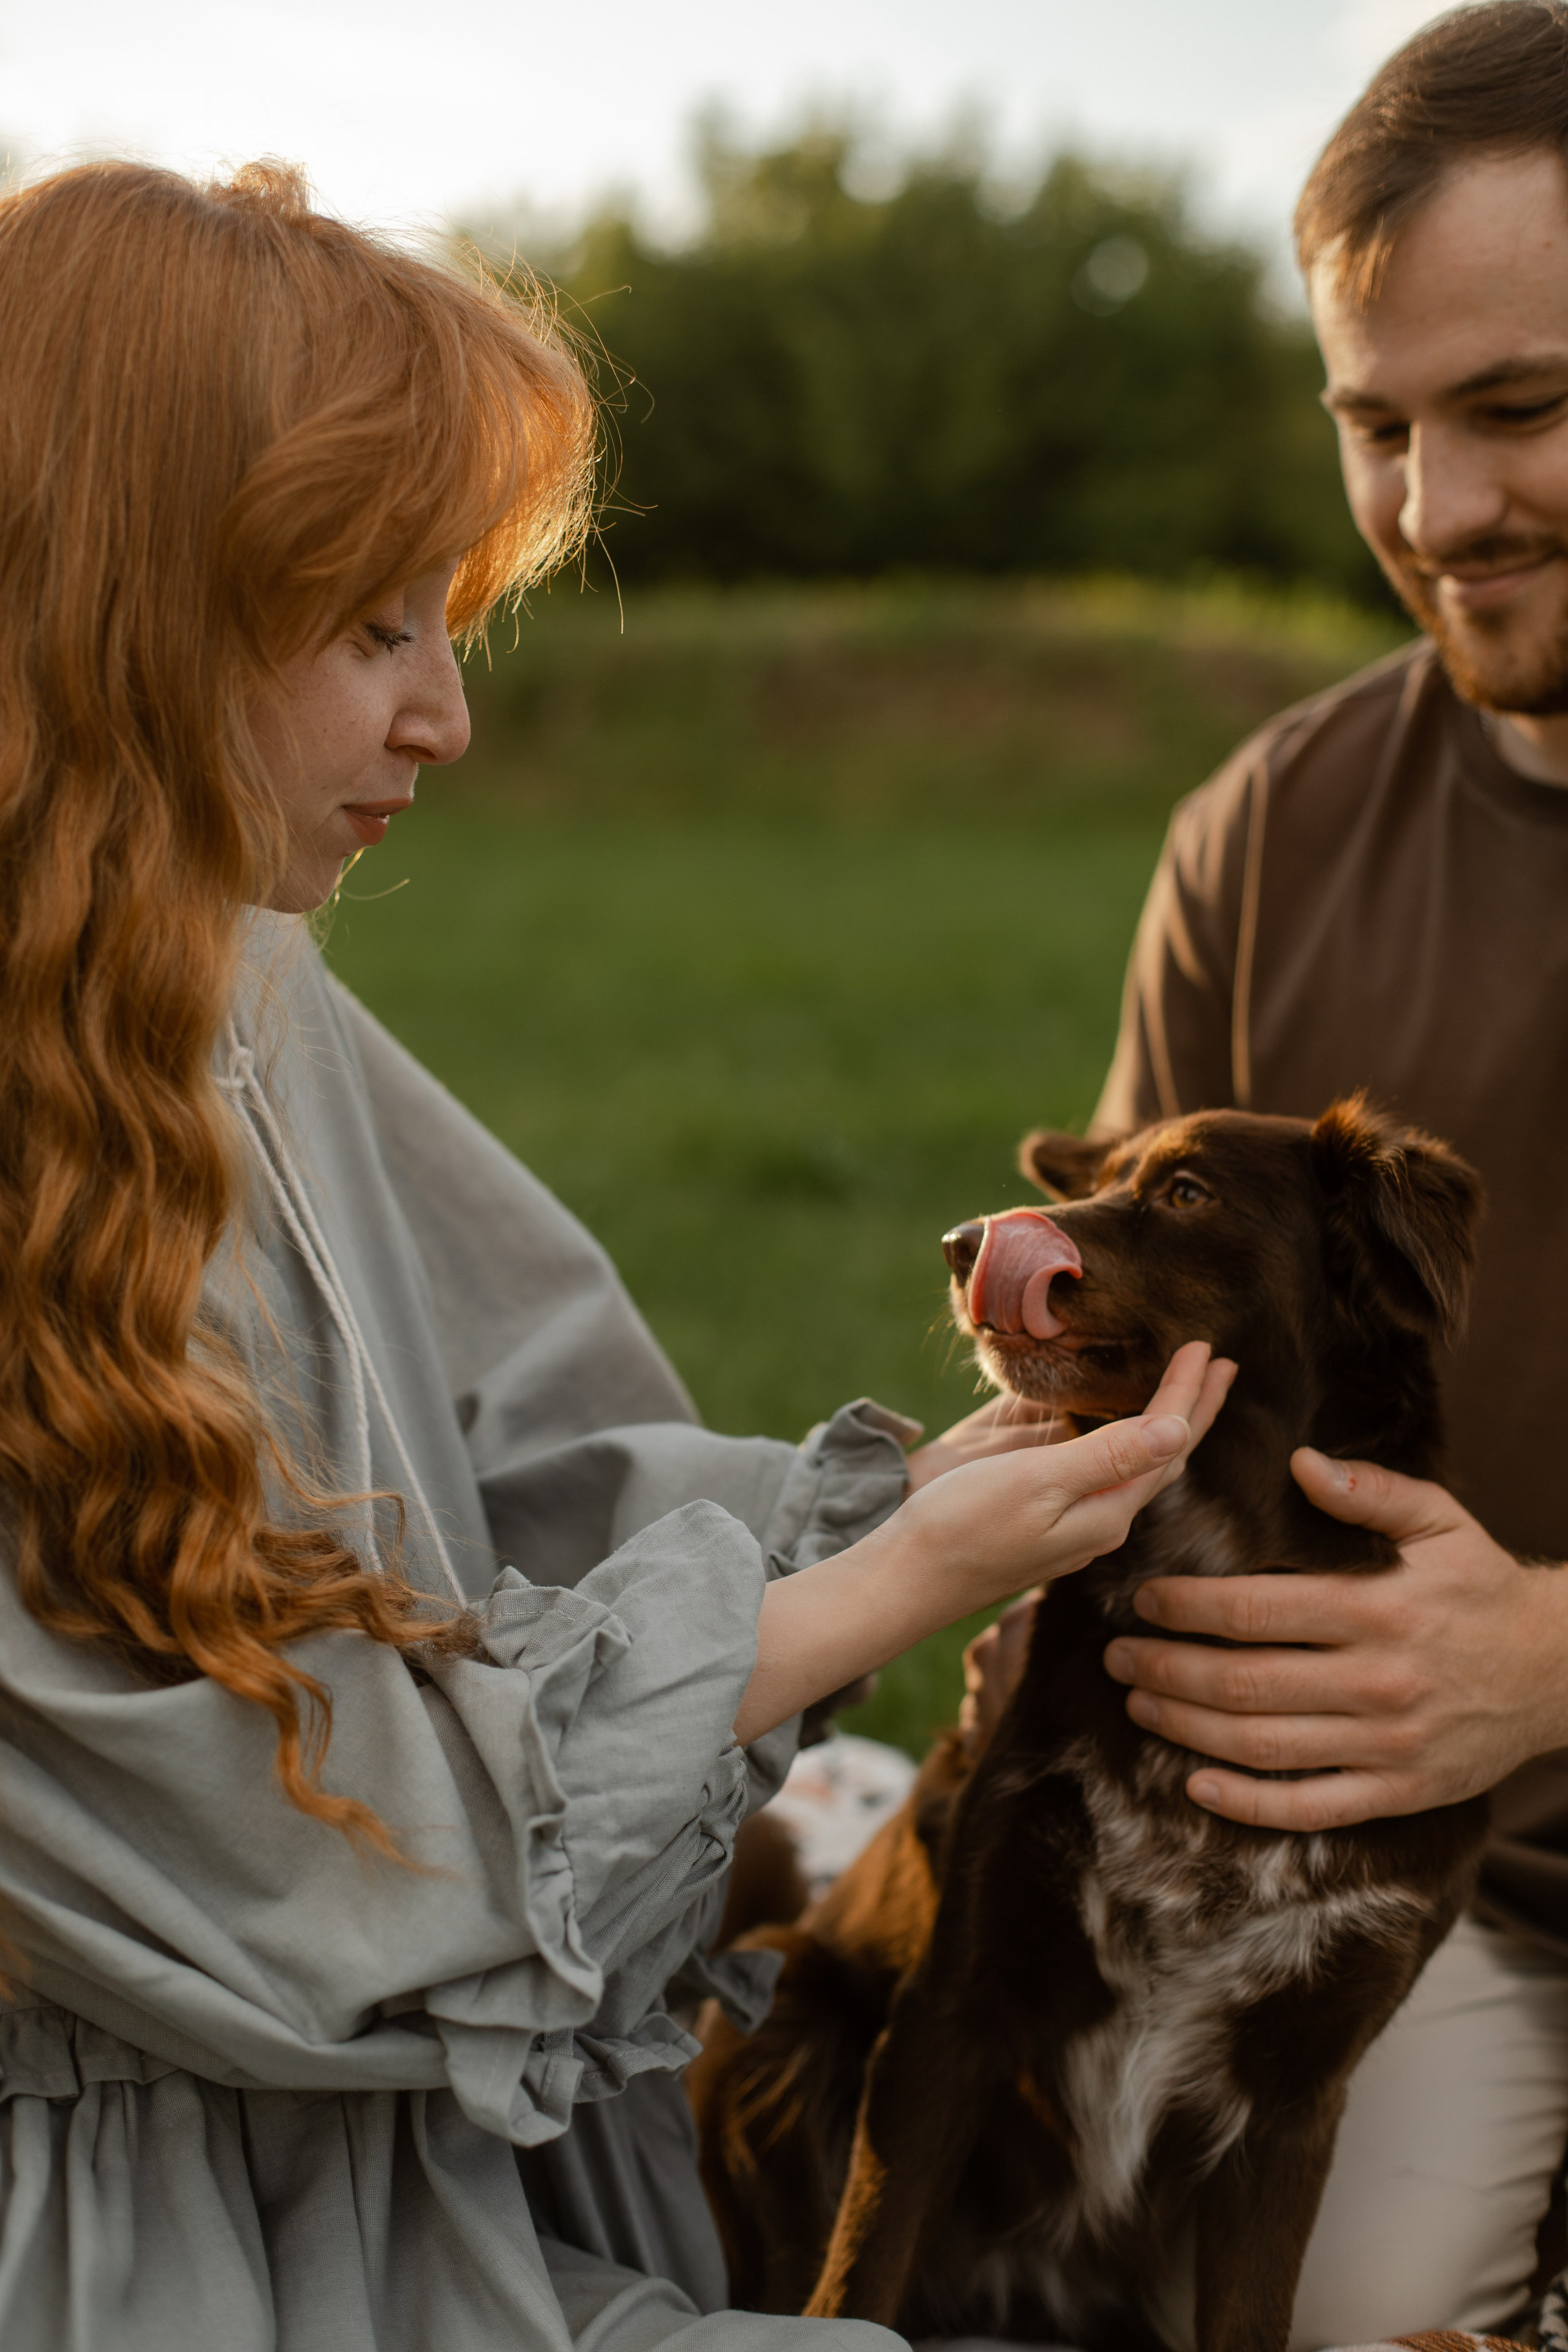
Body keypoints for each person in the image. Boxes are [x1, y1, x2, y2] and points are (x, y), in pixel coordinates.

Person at [0, 158, 1231, 2352]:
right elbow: (292, 1900)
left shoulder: (239, 980)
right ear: (124, 609)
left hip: (423, 2187)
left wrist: (892, 1506)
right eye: (378, 626)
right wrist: (881, 1587)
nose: (444, 720)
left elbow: (525, 1473)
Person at [963, 4, 1568, 2341]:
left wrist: (1544, 1653)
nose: (1440, 511)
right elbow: (1090, 1385)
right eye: (1375, 425)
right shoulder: (1271, 833)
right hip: (1396, 1901)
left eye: (1520, 406)